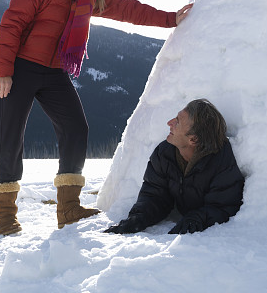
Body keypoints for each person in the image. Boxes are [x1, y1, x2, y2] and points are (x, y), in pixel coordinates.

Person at [0, 0, 193, 236]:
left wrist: (170, 19)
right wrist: (3, 71)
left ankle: (68, 208)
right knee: (10, 137)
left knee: (76, 128)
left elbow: (129, 9)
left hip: (55, 71)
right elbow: (12, 25)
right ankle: (6, 217)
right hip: (21, 67)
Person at [104, 99, 244, 235]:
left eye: (177, 121)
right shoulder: (164, 154)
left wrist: (198, 218)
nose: (169, 123)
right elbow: (155, 194)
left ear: (193, 139)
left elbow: (224, 206)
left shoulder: (221, 161)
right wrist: (139, 218)